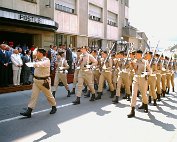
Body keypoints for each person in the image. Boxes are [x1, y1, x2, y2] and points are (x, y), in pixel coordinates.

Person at [20, 48, 57, 118]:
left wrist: (33, 64)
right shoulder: (37, 60)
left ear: (40, 53)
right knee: (33, 96)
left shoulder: (46, 60)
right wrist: (35, 58)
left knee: (49, 95)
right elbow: (34, 57)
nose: (36, 53)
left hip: (44, 81)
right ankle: (29, 111)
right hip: (36, 81)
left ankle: (54, 106)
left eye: (37, 52)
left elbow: (40, 64)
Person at [127, 50, 150, 118]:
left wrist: (145, 73)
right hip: (136, 79)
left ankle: (145, 105)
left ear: (140, 55)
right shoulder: (133, 61)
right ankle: (132, 110)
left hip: (143, 79)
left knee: (143, 94)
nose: (135, 55)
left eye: (137, 54)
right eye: (135, 54)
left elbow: (150, 71)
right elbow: (133, 69)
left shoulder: (145, 62)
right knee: (134, 94)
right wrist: (131, 65)